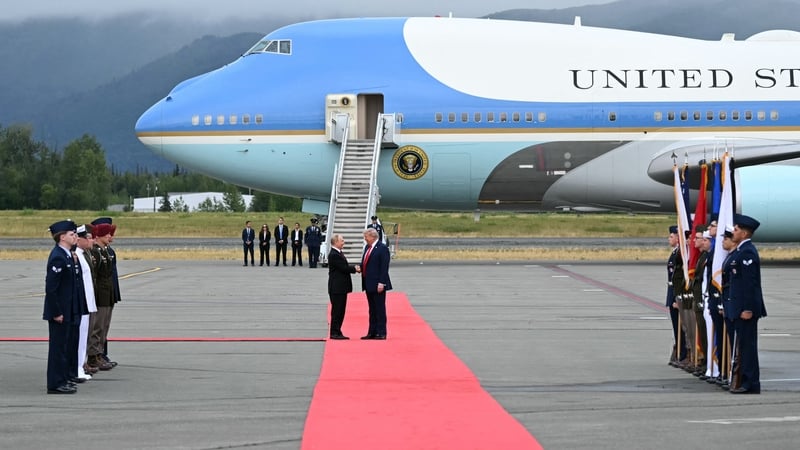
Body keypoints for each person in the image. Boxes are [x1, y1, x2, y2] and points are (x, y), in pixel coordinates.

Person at [725, 214, 767, 394]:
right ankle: (744, 380)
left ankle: (750, 383)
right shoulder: (740, 251)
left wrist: (748, 308)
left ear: (743, 233)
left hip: (745, 309)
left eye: (735, 230)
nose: (733, 232)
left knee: (747, 347)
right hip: (738, 308)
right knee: (742, 346)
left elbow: (750, 285)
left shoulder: (747, 252)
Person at [43, 220, 83, 394]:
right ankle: (55, 383)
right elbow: (51, 288)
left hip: (68, 310)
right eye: (71, 234)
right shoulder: (58, 256)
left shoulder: (67, 254)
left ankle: (63, 378)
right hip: (59, 311)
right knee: (58, 349)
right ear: (62, 237)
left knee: (65, 347)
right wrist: (56, 311)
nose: (75, 237)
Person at [91, 217, 121, 368]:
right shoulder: (95, 252)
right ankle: (95, 356)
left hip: (108, 294)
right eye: (107, 232)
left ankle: (101, 354)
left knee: (104, 326)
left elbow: (111, 276)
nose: (110, 236)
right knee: (98, 326)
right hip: (100, 296)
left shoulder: (108, 251)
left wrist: (114, 294)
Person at [75, 224, 98, 381]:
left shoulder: (82, 255)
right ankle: (77, 367)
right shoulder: (76, 255)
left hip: (87, 303)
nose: (91, 241)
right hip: (81, 304)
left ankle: (80, 365)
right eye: (88, 238)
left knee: (83, 337)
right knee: (79, 338)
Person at [360, 228, 392, 340]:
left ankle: (381, 332)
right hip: (368, 283)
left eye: (366, 236)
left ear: (373, 237)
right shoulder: (367, 248)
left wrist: (382, 283)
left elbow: (384, 267)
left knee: (379, 309)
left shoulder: (382, 249)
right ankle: (372, 331)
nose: (365, 238)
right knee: (372, 309)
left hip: (378, 284)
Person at [327, 234, 360, 339]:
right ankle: (334, 333)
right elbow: (343, 268)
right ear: (336, 242)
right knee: (337, 311)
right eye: (342, 241)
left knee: (340, 311)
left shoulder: (338, 253)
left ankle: (337, 331)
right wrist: (355, 268)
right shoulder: (334, 254)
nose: (343, 242)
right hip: (337, 288)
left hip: (340, 287)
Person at [667, 225, 687, 367]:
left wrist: (676, 298)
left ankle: (683, 353)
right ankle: (679, 351)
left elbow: (679, 279)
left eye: (672, 236)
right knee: (676, 326)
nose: (669, 239)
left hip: (676, 294)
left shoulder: (680, 254)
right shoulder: (675, 253)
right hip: (671, 293)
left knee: (681, 326)